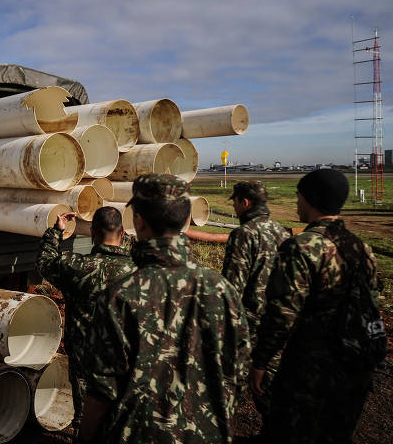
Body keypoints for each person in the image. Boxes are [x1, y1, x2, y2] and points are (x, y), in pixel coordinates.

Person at [82, 174, 250, 443]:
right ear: (186, 221)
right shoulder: (222, 290)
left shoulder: (120, 295)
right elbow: (237, 371)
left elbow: (101, 390)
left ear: (138, 220)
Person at [251, 169, 383, 443]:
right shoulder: (361, 247)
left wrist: (261, 361)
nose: (297, 203)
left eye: (299, 197)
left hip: (312, 367)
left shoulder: (301, 247)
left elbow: (282, 314)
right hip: (357, 363)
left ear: (310, 200)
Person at [35, 206, 134, 437]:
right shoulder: (138, 270)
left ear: (93, 233)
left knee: (86, 417)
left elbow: (45, 262)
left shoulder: (76, 267)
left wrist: (56, 232)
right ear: (122, 233)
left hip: (85, 356)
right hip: (125, 358)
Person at [221, 180, 290, 414]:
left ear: (245, 202)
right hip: (278, 322)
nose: (235, 208)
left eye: (236, 203)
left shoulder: (244, 234)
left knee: (236, 384)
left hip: (250, 325)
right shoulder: (282, 232)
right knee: (272, 383)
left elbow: (233, 287)